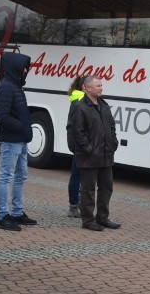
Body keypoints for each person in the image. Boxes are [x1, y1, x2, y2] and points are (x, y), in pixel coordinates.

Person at [67, 75, 120, 231]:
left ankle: (102, 218)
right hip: (89, 156)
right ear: (87, 87)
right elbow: (78, 132)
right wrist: (88, 149)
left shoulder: (104, 105)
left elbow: (111, 127)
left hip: (106, 155)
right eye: (97, 86)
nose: (101, 88)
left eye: (101, 85)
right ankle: (88, 220)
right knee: (88, 189)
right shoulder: (80, 106)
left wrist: (113, 144)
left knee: (106, 188)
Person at [0, 52, 37, 231]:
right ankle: (3, 216)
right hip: (11, 140)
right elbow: (1, 116)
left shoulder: (16, 86)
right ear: (15, 68)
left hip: (21, 140)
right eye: (24, 67)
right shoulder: (6, 87)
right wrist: (21, 126)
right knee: (6, 176)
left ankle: (18, 212)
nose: (26, 70)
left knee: (21, 175)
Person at [66, 75, 85, 217]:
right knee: (78, 174)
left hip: (79, 143)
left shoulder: (78, 99)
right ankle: (74, 206)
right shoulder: (80, 101)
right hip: (81, 144)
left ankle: (77, 204)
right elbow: (77, 127)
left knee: (79, 174)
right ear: (85, 87)